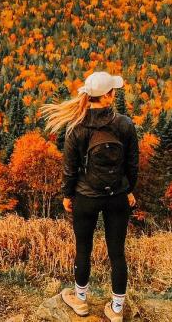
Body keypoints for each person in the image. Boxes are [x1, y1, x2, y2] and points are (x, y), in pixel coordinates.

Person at [41, 71, 139, 322]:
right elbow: (132, 163)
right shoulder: (125, 124)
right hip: (117, 196)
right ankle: (117, 310)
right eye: (113, 91)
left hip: (86, 197)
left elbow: (69, 168)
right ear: (107, 96)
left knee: (83, 248)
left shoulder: (76, 127)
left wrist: (67, 195)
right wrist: (129, 190)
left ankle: (81, 301)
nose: (115, 94)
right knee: (117, 252)